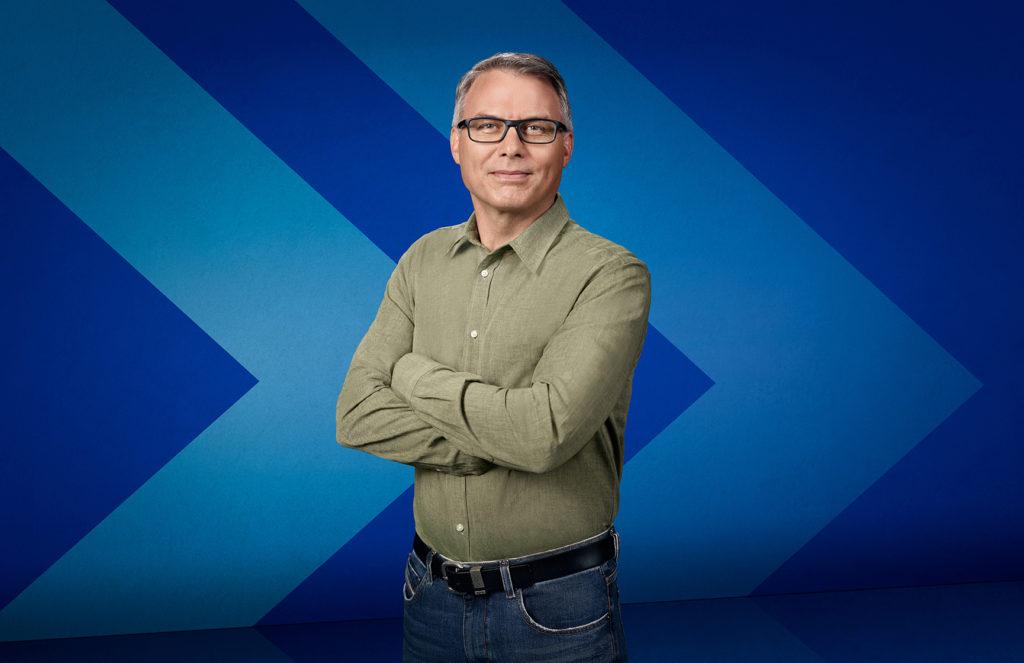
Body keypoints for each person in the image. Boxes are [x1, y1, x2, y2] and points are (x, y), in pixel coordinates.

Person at [336, 52, 650, 662]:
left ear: (566, 146)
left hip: (558, 605)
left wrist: (412, 373)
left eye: (536, 127)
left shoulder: (610, 275)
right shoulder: (422, 260)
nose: (511, 146)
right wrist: (494, 442)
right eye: (487, 125)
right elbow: (356, 414)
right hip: (427, 592)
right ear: (457, 144)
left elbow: (544, 437)